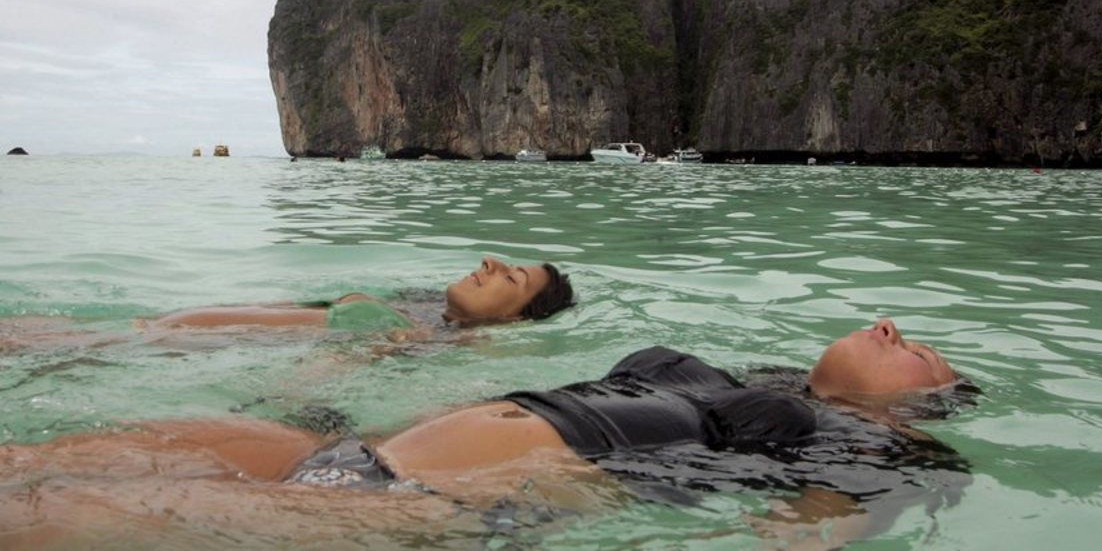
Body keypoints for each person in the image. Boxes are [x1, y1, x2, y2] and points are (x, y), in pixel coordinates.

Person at [0, 319, 971, 549]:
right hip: (369, 447)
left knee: (41, 512)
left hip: (445, 495)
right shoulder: (748, 371)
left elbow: (801, 533)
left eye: (920, 351)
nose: (891, 329)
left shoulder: (880, 447)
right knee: (25, 461)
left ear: (927, 405)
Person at [0, 257, 575, 352]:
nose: (491, 262)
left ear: (517, 318)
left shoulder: (427, 344)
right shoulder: (422, 313)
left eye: (513, 277)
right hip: (139, 327)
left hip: (145, 344)